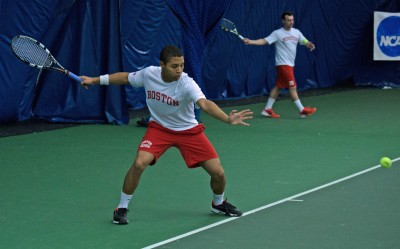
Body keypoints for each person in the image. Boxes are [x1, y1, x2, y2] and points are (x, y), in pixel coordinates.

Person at [80, 45, 253, 224]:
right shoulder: (149, 74)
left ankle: (218, 203)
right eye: (174, 66)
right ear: (162, 65)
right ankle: (121, 208)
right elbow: (125, 77)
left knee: (218, 173)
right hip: (159, 129)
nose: (179, 70)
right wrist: (93, 80)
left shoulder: (187, 83)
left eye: (182, 65)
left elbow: (205, 104)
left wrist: (226, 118)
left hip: (188, 131)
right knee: (139, 163)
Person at [243, 11, 317, 118]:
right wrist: (251, 41)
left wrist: (309, 45)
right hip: (283, 64)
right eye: (288, 20)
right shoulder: (277, 33)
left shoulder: (297, 32)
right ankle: (302, 110)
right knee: (293, 87)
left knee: (278, 87)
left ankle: (267, 109)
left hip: (291, 64)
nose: (291, 22)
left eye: (292, 20)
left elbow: (305, 41)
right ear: (283, 21)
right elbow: (264, 41)